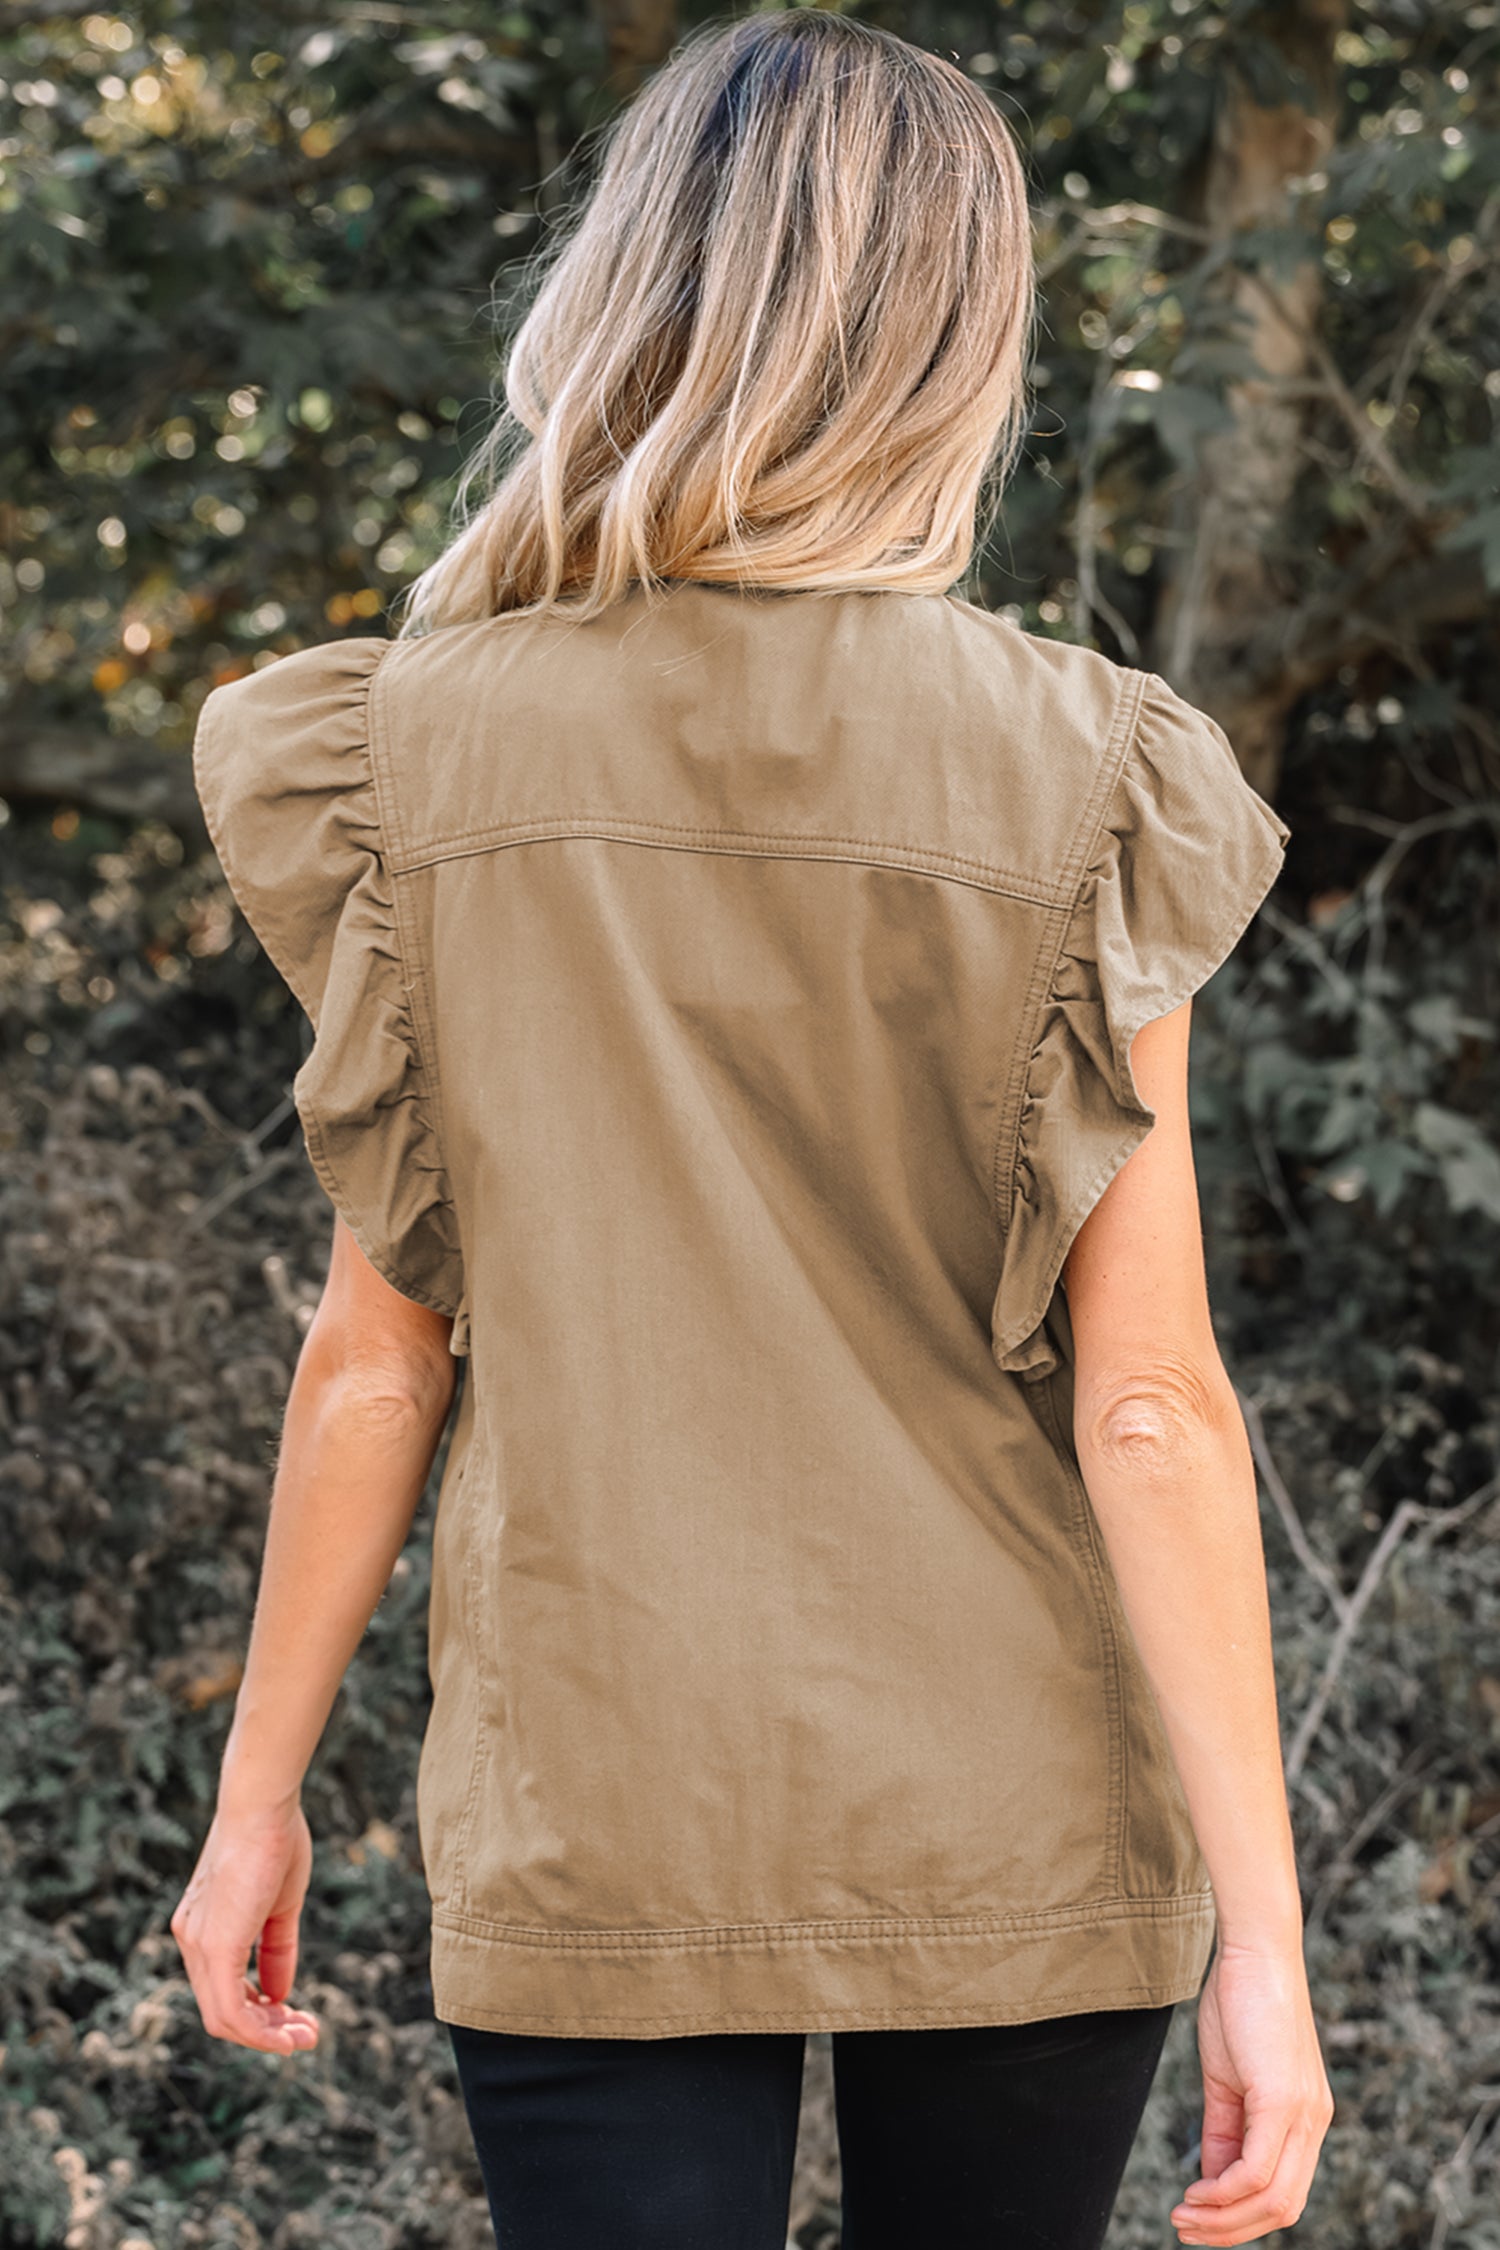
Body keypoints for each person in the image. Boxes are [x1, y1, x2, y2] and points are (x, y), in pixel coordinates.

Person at [170, 9, 1334, 2247]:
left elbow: (379, 1358)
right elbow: (1158, 1405)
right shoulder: (1088, 772)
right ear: (956, 335)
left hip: (602, 1787)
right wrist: (1267, 1951)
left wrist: (260, 1798)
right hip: (1015, 1811)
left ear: (630, 296)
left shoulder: (407, 757)